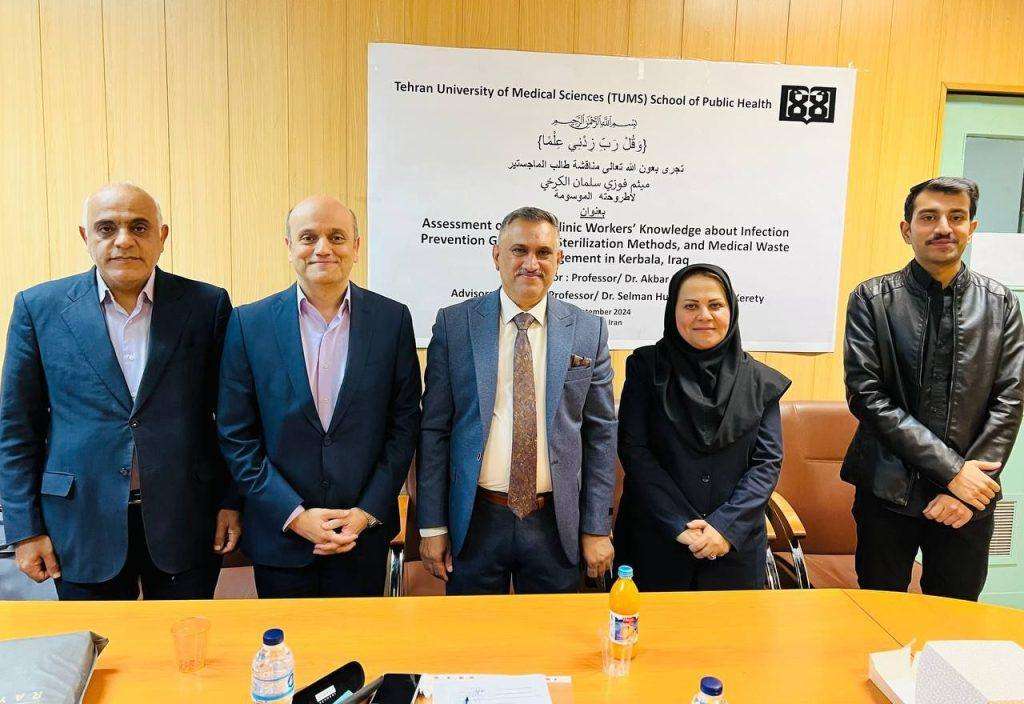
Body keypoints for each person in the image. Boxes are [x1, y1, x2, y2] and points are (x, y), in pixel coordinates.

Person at [0, 182, 239, 600]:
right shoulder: (38, 309)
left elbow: (234, 417)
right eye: (107, 228)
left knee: (185, 637)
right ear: (85, 236)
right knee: (97, 641)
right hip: (79, 522)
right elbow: (16, 428)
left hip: (187, 518)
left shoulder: (206, 305)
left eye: (139, 227)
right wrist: (25, 529)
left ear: (162, 236)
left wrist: (231, 501)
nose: (124, 240)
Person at [217, 196, 420, 598]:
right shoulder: (248, 324)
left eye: (337, 237)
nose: (323, 248)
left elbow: (403, 425)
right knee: (287, 640)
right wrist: (294, 515)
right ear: (289, 246)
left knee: (358, 640)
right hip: (281, 537)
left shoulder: (392, 320)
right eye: (308, 237)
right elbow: (237, 435)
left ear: (356, 247)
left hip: (361, 536)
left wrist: (365, 512)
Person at [417, 206, 617, 595]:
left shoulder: (588, 330)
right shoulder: (455, 325)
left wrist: (596, 526)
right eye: (519, 250)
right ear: (497, 256)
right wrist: (432, 525)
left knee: (554, 632)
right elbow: (434, 429)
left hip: (555, 522)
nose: (531, 263)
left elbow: (601, 436)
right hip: (475, 518)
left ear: (559, 259)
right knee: (472, 629)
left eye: (543, 253)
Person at [843, 176, 1024, 601]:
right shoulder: (872, 298)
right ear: (907, 230)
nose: (944, 227)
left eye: (956, 217)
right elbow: (867, 396)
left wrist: (967, 489)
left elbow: (1010, 398)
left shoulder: (1001, 303)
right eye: (929, 217)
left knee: (955, 621)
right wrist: (953, 473)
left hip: (969, 499)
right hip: (888, 490)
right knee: (880, 615)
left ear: (971, 228)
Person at [613, 264, 790, 591]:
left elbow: (766, 462)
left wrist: (724, 527)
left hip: (732, 548)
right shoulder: (645, 368)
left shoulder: (759, 381)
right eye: (691, 305)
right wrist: (678, 523)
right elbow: (634, 451)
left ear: (731, 310)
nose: (704, 315)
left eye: (715, 305)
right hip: (655, 541)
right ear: (673, 311)